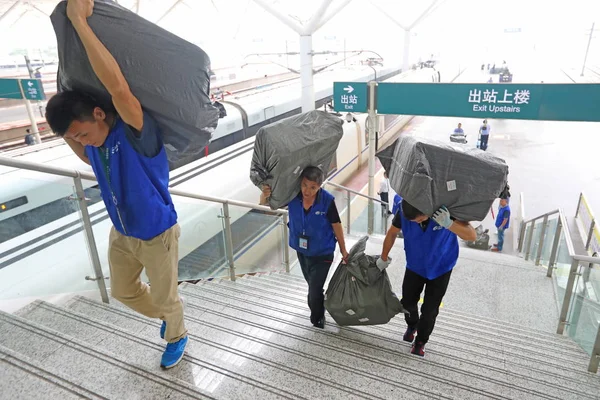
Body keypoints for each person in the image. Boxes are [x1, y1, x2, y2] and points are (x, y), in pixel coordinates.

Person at [44, 0, 187, 369]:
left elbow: (118, 89)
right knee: (123, 291)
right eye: (74, 138)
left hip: (157, 233)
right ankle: (171, 317)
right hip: (122, 233)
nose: (81, 141)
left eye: (82, 132)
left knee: (168, 297)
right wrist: (61, 117)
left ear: (98, 113)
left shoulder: (136, 132)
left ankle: (177, 332)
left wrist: (78, 23)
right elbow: (76, 139)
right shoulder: (94, 149)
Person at [376, 201, 476, 357]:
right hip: (415, 265)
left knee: (430, 310)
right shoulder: (404, 210)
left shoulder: (445, 211)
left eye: (420, 219)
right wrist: (383, 257)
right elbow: (392, 233)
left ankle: (421, 341)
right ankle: (413, 324)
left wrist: (449, 223)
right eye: (413, 222)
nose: (416, 222)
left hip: (441, 267)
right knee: (407, 302)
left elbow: (471, 235)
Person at [261, 166, 349, 328]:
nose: (307, 191)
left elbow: (336, 225)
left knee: (314, 290)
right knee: (313, 286)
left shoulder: (327, 201)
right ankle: (319, 307)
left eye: (313, 187)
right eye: (304, 185)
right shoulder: (293, 197)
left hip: (323, 253)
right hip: (302, 252)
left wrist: (344, 250)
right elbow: (269, 212)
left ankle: (317, 319)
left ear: (319, 187)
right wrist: (263, 198)